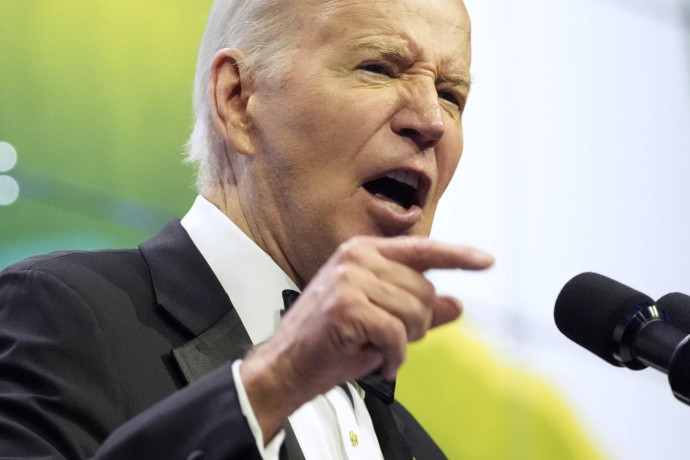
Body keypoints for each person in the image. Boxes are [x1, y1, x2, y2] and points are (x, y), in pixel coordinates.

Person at [0, 0, 494, 458]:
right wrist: (274, 381)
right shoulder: (59, 313)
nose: (432, 121)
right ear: (237, 99)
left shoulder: (417, 447)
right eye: (378, 68)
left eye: (451, 95)